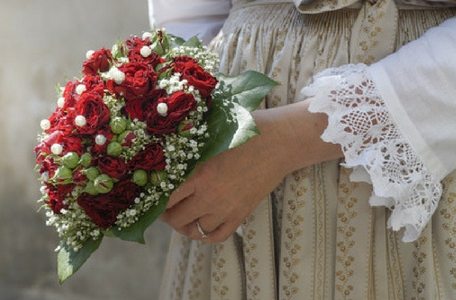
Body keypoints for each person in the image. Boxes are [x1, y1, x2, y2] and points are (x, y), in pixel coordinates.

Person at [149, 0, 456, 298]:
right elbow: (187, 16)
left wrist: (290, 138)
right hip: (230, 160)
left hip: (417, 137)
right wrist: (196, 109)